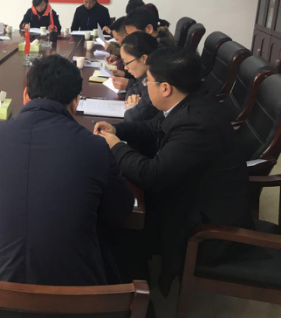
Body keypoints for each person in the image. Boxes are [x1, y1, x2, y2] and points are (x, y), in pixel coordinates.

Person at [0, 54, 134, 286]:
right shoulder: (96, 148)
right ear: (76, 102)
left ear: (25, 95)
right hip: (76, 298)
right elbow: (120, 209)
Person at [94, 48, 254, 296]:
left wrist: (115, 146)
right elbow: (153, 127)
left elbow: (152, 176)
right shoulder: (191, 100)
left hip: (205, 227)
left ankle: (135, 296)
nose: (145, 86)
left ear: (166, 88)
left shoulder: (197, 124)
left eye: (148, 81)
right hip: (187, 197)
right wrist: (118, 130)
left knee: (115, 219)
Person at [119, 32, 160, 122]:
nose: (125, 67)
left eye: (126, 62)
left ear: (144, 59)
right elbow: (132, 89)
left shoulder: (155, 82)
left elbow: (132, 118)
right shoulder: (143, 76)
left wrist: (131, 107)